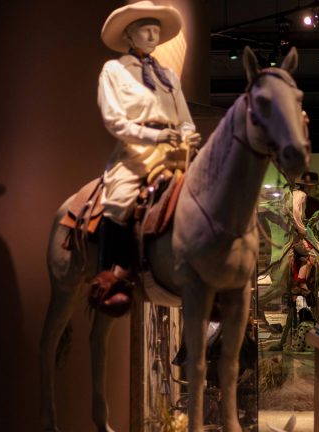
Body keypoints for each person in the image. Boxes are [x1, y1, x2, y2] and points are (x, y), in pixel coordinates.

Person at [91, 1, 201, 291]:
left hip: (176, 153)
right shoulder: (113, 71)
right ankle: (111, 276)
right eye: (146, 30)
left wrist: (188, 135)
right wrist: (155, 137)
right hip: (136, 153)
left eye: (156, 31)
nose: (153, 36)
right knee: (118, 200)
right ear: (128, 35)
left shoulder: (169, 77)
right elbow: (114, 121)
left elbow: (185, 119)